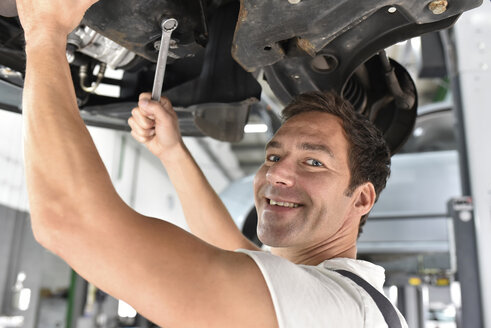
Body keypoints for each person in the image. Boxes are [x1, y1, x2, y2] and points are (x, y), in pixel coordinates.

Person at [17, 0, 407, 326]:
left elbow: (69, 221)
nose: (276, 173)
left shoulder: (334, 312)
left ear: (361, 198)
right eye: (274, 155)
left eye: (313, 162)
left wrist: (45, 31)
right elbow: (233, 248)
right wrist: (171, 152)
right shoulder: (349, 302)